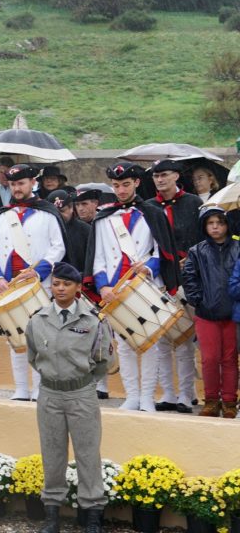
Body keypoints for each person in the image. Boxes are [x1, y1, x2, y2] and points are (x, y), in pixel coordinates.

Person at [83, 162, 180, 413]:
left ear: (136, 183)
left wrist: (148, 268)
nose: (121, 190)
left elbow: (162, 252)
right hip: (115, 287)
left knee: (150, 344)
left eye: (126, 185)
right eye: (116, 186)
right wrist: (103, 286)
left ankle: (147, 396)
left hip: (145, 284)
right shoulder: (104, 216)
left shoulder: (152, 212)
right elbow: (99, 257)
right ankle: (132, 395)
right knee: (124, 345)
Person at [26, 262, 111, 533]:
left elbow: (103, 359)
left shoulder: (92, 320)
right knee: (52, 455)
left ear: (77, 288)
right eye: (56, 284)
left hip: (81, 393)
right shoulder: (38, 319)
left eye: (66, 284)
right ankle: (52, 515)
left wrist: (82, 382)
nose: (60, 289)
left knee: (88, 454)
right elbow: (32, 355)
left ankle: (93, 514)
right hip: (50, 393)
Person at [0, 165, 66, 401]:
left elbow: (58, 247)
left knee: (41, 338)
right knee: (15, 338)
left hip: (38, 285)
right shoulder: (0, 216)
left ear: (33, 183)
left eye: (21, 183)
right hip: (8, 285)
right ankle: (20, 388)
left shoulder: (48, 213)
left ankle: (40, 389)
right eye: (12, 184)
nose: (17, 189)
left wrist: (37, 272)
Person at [149, 159, 202, 413]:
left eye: (164, 175)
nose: (160, 180)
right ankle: (168, 393)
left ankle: (186, 394)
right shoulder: (148, 207)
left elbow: (202, 239)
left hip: (186, 278)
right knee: (162, 341)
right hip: (159, 280)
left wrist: (189, 261)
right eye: (156, 176)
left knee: (184, 339)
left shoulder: (193, 203)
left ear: (176, 176)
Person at [192, 207, 240, 417]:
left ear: (227, 225)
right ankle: (211, 399)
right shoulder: (197, 251)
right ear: (205, 226)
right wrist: (198, 301)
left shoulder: (238, 248)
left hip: (232, 313)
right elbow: (190, 278)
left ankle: (229, 400)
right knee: (210, 358)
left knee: (229, 358)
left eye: (219, 223)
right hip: (206, 313)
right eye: (211, 223)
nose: (215, 227)